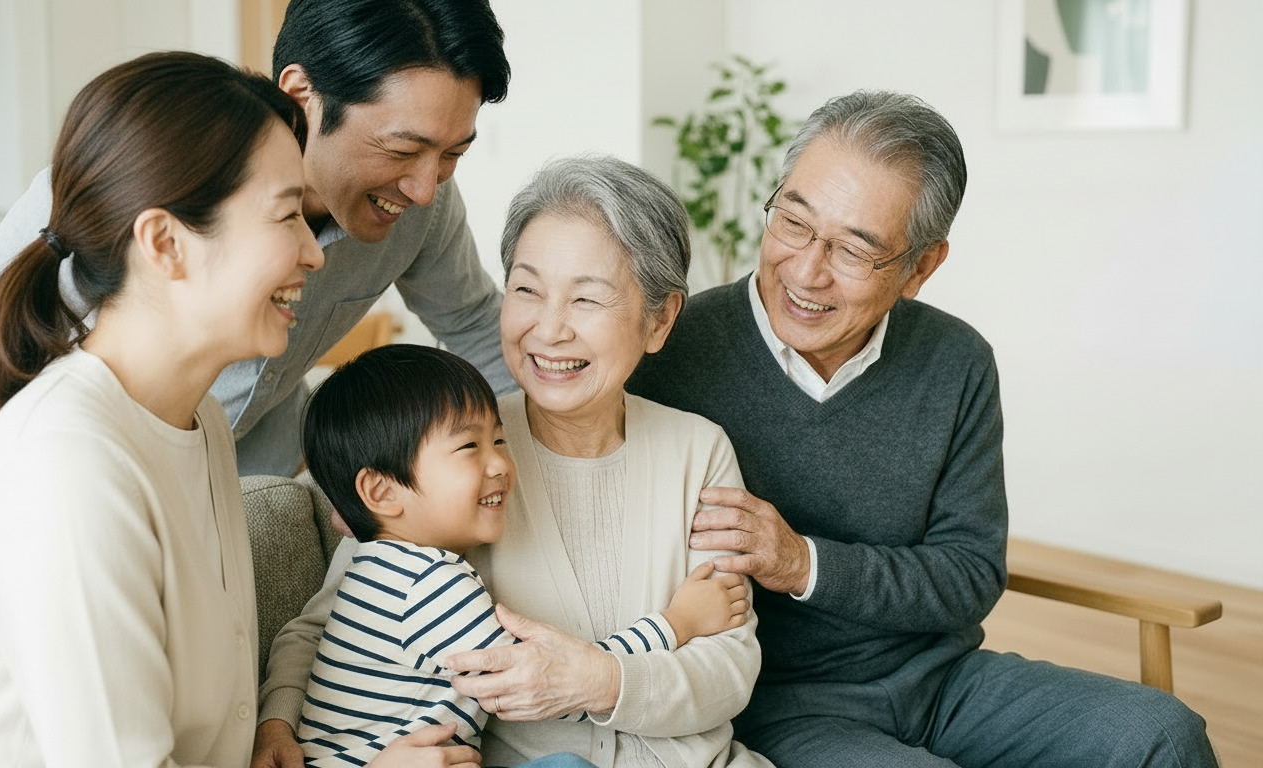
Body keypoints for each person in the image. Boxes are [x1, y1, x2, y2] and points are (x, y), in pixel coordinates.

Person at [627, 90, 1219, 767]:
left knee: (1164, 736)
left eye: (855, 250)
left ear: (922, 267)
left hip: (945, 682)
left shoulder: (956, 361)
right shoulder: (672, 353)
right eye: (793, 223)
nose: (807, 270)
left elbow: (970, 572)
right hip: (785, 703)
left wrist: (802, 562)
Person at [0, 0, 514, 554]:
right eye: (402, 150)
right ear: (302, 95)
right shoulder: (135, 182)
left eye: (454, 155)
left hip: (251, 507)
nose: (425, 187)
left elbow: (477, 327)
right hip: (93, 501)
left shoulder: (423, 205)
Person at [256, 156, 773, 768]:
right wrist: (276, 724)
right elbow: (323, 630)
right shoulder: (446, 455)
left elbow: (729, 667)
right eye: (526, 289)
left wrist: (600, 681)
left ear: (659, 320)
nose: (549, 329)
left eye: (587, 298)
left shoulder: (699, 449)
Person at [0, 51, 324, 766]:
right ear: (165, 243)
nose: (314, 253)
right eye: (288, 215)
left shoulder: (197, 427)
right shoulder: (68, 462)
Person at [295, 344, 745, 766]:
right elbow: (552, 686)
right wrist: (679, 622)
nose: (501, 465)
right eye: (469, 446)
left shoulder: (377, 566)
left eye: (499, 440)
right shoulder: (429, 585)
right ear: (380, 491)